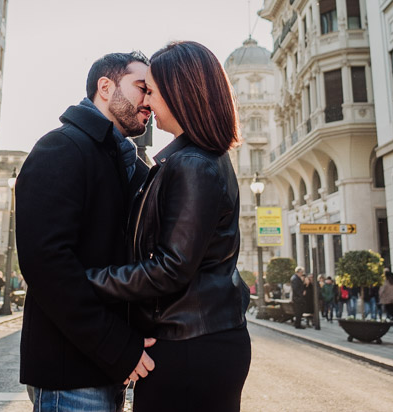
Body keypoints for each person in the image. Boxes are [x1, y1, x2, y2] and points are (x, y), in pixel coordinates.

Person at [86, 41, 252, 411]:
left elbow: (171, 266)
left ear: (181, 95)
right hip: (197, 339)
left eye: (154, 93)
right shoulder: (198, 158)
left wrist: (88, 280)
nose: (148, 103)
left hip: (191, 345)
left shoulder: (192, 164)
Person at [16, 51, 155, 412]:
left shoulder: (127, 162)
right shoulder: (61, 148)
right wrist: (115, 346)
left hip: (109, 370)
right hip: (72, 375)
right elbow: (46, 264)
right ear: (105, 88)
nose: (150, 101)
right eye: (142, 87)